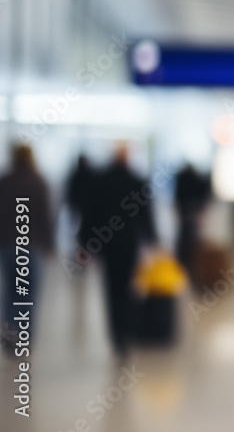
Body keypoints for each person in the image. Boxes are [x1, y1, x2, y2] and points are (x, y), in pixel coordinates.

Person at [83, 142, 157, 356]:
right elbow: (146, 216)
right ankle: (126, 332)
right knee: (127, 288)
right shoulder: (136, 181)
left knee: (111, 290)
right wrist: (153, 240)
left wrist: (87, 242)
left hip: (107, 245)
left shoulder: (100, 181)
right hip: (128, 244)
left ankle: (117, 335)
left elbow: (90, 215)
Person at [0, 144, 54, 354]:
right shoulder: (38, 183)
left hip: (8, 245)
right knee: (28, 295)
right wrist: (50, 245)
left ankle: (9, 333)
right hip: (31, 246)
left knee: (11, 292)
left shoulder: (5, 181)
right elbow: (44, 216)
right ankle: (24, 338)